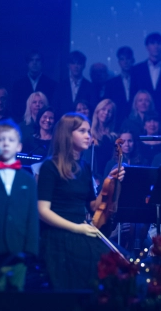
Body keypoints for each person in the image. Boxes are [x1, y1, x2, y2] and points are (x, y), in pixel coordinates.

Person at [37, 113, 125, 290]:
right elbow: (42, 211)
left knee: (123, 263)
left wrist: (110, 181)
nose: (88, 136)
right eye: (82, 131)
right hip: (58, 234)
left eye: (89, 131)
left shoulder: (84, 167)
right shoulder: (50, 166)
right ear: (67, 134)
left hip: (81, 230)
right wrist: (76, 228)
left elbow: (92, 205)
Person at [0, 120, 39, 291]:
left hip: (19, 248)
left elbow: (32, 216)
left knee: (17, 294)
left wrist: (31, 249)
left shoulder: (27, 180)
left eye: (10, 140)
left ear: (19, 146)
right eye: (1, 139)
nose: (5, 144)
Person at [131, 33, 161, 123]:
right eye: (152, 43)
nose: (156, 46)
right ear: (147, 47)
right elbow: (134, 93)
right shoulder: (137, 69)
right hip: (142, 117)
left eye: (159, 43)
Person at [10, 51, 57, 122]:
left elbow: (53, 107)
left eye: (37, 60)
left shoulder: (52, 85)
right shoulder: (18, 85)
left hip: (45, 123)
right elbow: (15, 108)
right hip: (23, 123)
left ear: (42, 63)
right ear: (27, 63)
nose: (34, 63)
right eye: (31, 60)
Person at [55, 51, 95, 116]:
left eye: (79, 63)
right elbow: (55, 107)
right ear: (68, 65)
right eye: (73, 63)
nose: (76, 66)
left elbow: (92, 109)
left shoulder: (90, 87)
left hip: (84, 121)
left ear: (84, 65)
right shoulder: (60, 86)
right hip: (64, 121)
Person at [104, 46, 136, 125]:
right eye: (122, 59)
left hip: (137, 122)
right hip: (117, 122)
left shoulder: (140, 81)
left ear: (132, 60)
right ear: (119, 62)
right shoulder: (111, 83)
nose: (125, 62)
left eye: (128, 58)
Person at [89, 99, 118, 180]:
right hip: (92, 174)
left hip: (108, 175)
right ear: (97, 111)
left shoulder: (114, 137)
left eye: (109, 111)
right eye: (103, 109)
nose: (106, 113)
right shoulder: (88, 133)